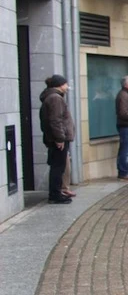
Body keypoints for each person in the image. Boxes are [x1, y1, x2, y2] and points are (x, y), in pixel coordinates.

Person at [40, 75, 75, 205]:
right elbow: (55, 120)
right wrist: (60, 138)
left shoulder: (52, 97)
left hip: (54, 138)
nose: (67, 86)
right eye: (65, 84)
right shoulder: (55, 98)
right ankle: (55, 194)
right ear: (60, 85)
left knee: (58, 166)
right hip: (57, 139)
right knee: (58, 167)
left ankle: (57, 192)